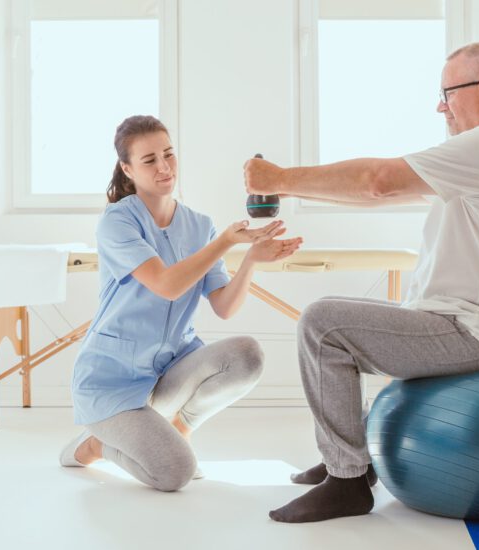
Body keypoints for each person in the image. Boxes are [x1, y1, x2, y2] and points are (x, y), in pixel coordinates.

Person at [244, 43, 479, 523]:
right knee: (342, 314)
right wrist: (291, 184)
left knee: (323, 324)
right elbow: (379, 193)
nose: (441, 107)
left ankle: (347, 480)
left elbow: (377, 181)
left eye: (447, 94)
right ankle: (351, 459)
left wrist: (279, 179)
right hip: (467, 323)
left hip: (477, 331)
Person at [59, 115, 303, 491]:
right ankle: (98, 444)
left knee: (246, 355)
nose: (164, 167)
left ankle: (179, 427)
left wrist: (251, 259)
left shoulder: (199, 225)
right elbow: (166, 285)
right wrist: (224, 242)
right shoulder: (117, 222)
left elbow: (225, 307)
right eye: (149, 160)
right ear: (127, 169)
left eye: (168, 154)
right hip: (112, 384)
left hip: (170, 371)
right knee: (175, 473)